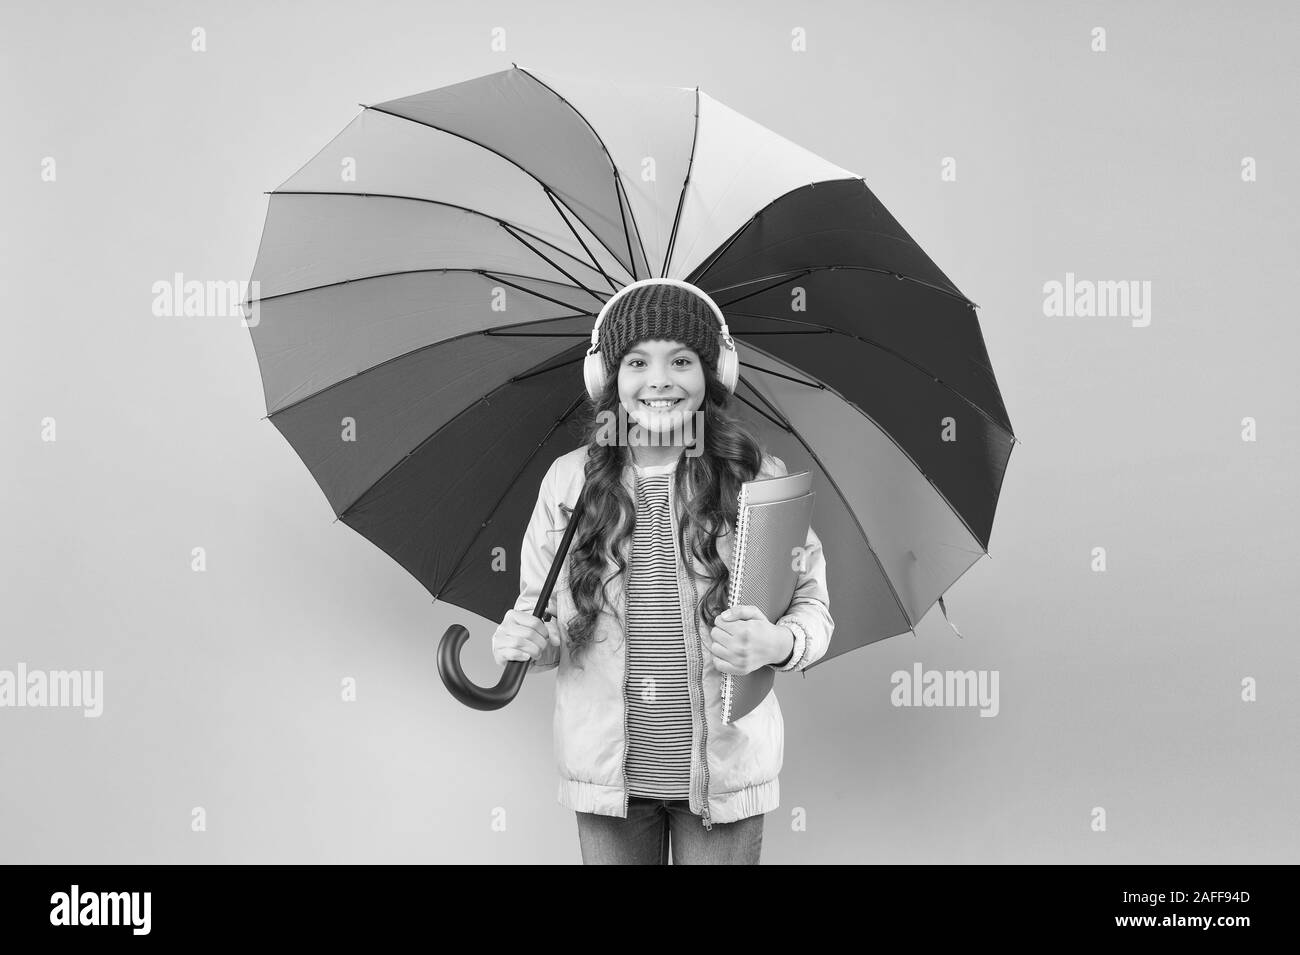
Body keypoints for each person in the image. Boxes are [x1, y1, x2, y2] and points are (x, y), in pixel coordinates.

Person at [491, 279, 834, 864]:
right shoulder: (568, 481)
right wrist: (525, 638)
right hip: (611, 781)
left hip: (724, 780)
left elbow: (813, 608)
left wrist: (777, 642)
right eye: (637, 361)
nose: (659, 380)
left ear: (712, 374)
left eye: (681, 360)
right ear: (608, 378)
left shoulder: (758, 477)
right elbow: (544, 618)